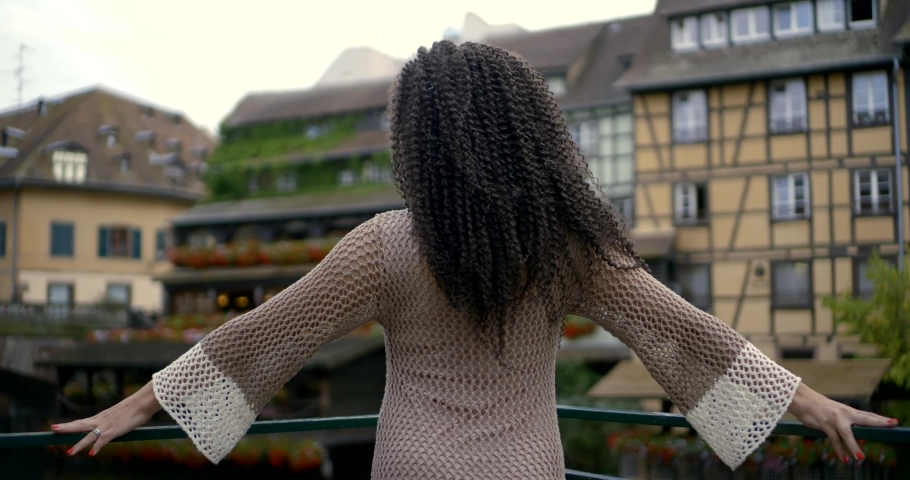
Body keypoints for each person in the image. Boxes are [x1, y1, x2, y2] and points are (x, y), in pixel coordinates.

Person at [52, 40, 896, 478]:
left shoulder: (382, 245)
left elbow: (263, 337)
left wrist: (132, 407)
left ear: (416, 140)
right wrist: (814, 403)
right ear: (528, 131)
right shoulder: (567, 248)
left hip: (410, 469)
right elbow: (683, 334)